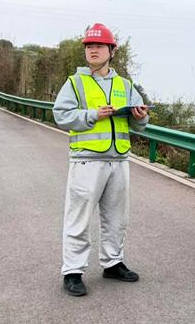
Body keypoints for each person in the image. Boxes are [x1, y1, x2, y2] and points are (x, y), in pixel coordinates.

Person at [53, 23, 150, 296]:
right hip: (87, 160)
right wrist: (93, 114)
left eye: (98, 46)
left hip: (118, 160)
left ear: (111, 51)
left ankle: (113, 263)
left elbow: (140, 122)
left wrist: (140, 117)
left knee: (117, 217)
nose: (93, 50)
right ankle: (73, 271)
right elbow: (61, 115)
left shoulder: (125, 85)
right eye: (89, 46)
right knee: (78, 217)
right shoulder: (75, 83)